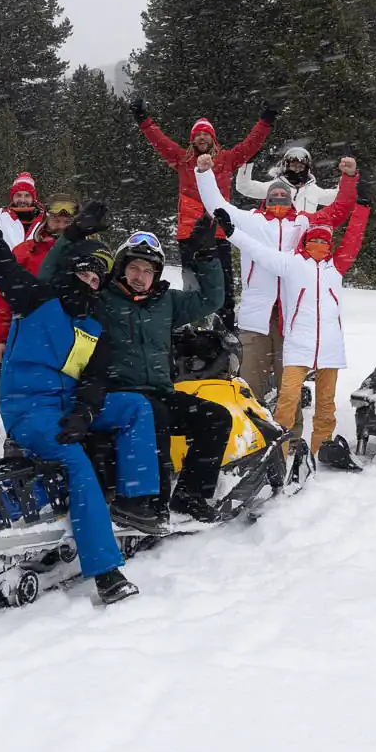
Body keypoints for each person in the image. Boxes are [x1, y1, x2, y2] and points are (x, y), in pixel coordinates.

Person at [0, 201, 160, 605]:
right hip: (29, 412)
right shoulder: (37, 298)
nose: (90, 280)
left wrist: (86, 412)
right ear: (71, 272)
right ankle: (107, 573)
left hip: (66, 407)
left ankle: (136, 501)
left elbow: (95, 379)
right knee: (76, 464)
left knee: (134, 407)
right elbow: (1, 259)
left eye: (97, 277)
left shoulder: (93, 324)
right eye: (84, 272)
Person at [41, 211, 232, 523]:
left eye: (148, 270)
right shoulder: (101, 297)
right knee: (152, 415)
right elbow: (50, 279)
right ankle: (148, 502)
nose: (140, 275)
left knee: (216, 418)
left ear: (156, 275)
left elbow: (211, 299)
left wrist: (206, 256)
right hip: (117, 393)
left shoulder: (168, 301)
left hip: (160, 391)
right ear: (121, 268)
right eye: (133, 267)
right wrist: (70, 237)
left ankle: (189, 495)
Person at [206, 159, 371, 471]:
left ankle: (316, 446)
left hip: (322, 345)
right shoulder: (290, 259)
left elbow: (347, 229)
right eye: (274, 197)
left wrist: (356, 195)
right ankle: (273, 444)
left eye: (325, 241)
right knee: (271, 390)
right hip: (284, 331)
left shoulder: (326, 254)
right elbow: (257, 251)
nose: (320, 243)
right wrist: (229, 232)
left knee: (320, 402)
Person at [197, 153, 359, 407]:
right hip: (256, 315)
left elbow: (338, 211)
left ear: (292, 202)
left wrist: (349, 178)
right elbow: (216, 204)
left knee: (289, 388)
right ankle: (253, 436)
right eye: (274, 196)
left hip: (291, 317)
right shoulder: (251, 221)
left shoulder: (302, 224)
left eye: (284, 196)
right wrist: (204, 173)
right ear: (266, 199)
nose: (279, 199)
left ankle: (291, 441)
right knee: (250, 385)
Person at [131, 97, 276, 327]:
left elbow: (251, 144)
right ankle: (195, 330)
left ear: (213, 138)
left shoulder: (227, 159)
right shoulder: (182, 158)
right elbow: (159, 141)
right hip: (189, 235)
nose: (201, 137)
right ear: (192, 139)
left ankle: (226, 327)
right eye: (198, 134)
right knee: (193, 286)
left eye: (206, 133)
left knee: (224, 285)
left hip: (218, 233)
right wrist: (143, 120)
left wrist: (265, 121)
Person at [0, 190, 79, 448]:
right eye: (56, 219)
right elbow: (2, 296)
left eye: (66, 222)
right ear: (46, 218)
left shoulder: (83, 252)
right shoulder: (26, 250)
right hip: (22, 329)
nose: (60, 225)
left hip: (64, 335)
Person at [234, 145, 342, 214]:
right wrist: (247, 164)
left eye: (301, 166)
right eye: (293, 165)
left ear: (307, 168)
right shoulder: (275, 187)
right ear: (286, 166)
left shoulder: (313, 190)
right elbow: (245, 187)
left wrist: (347, 178)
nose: (297, 170)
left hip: (303, 241)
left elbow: (336, 198)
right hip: (278, 238)